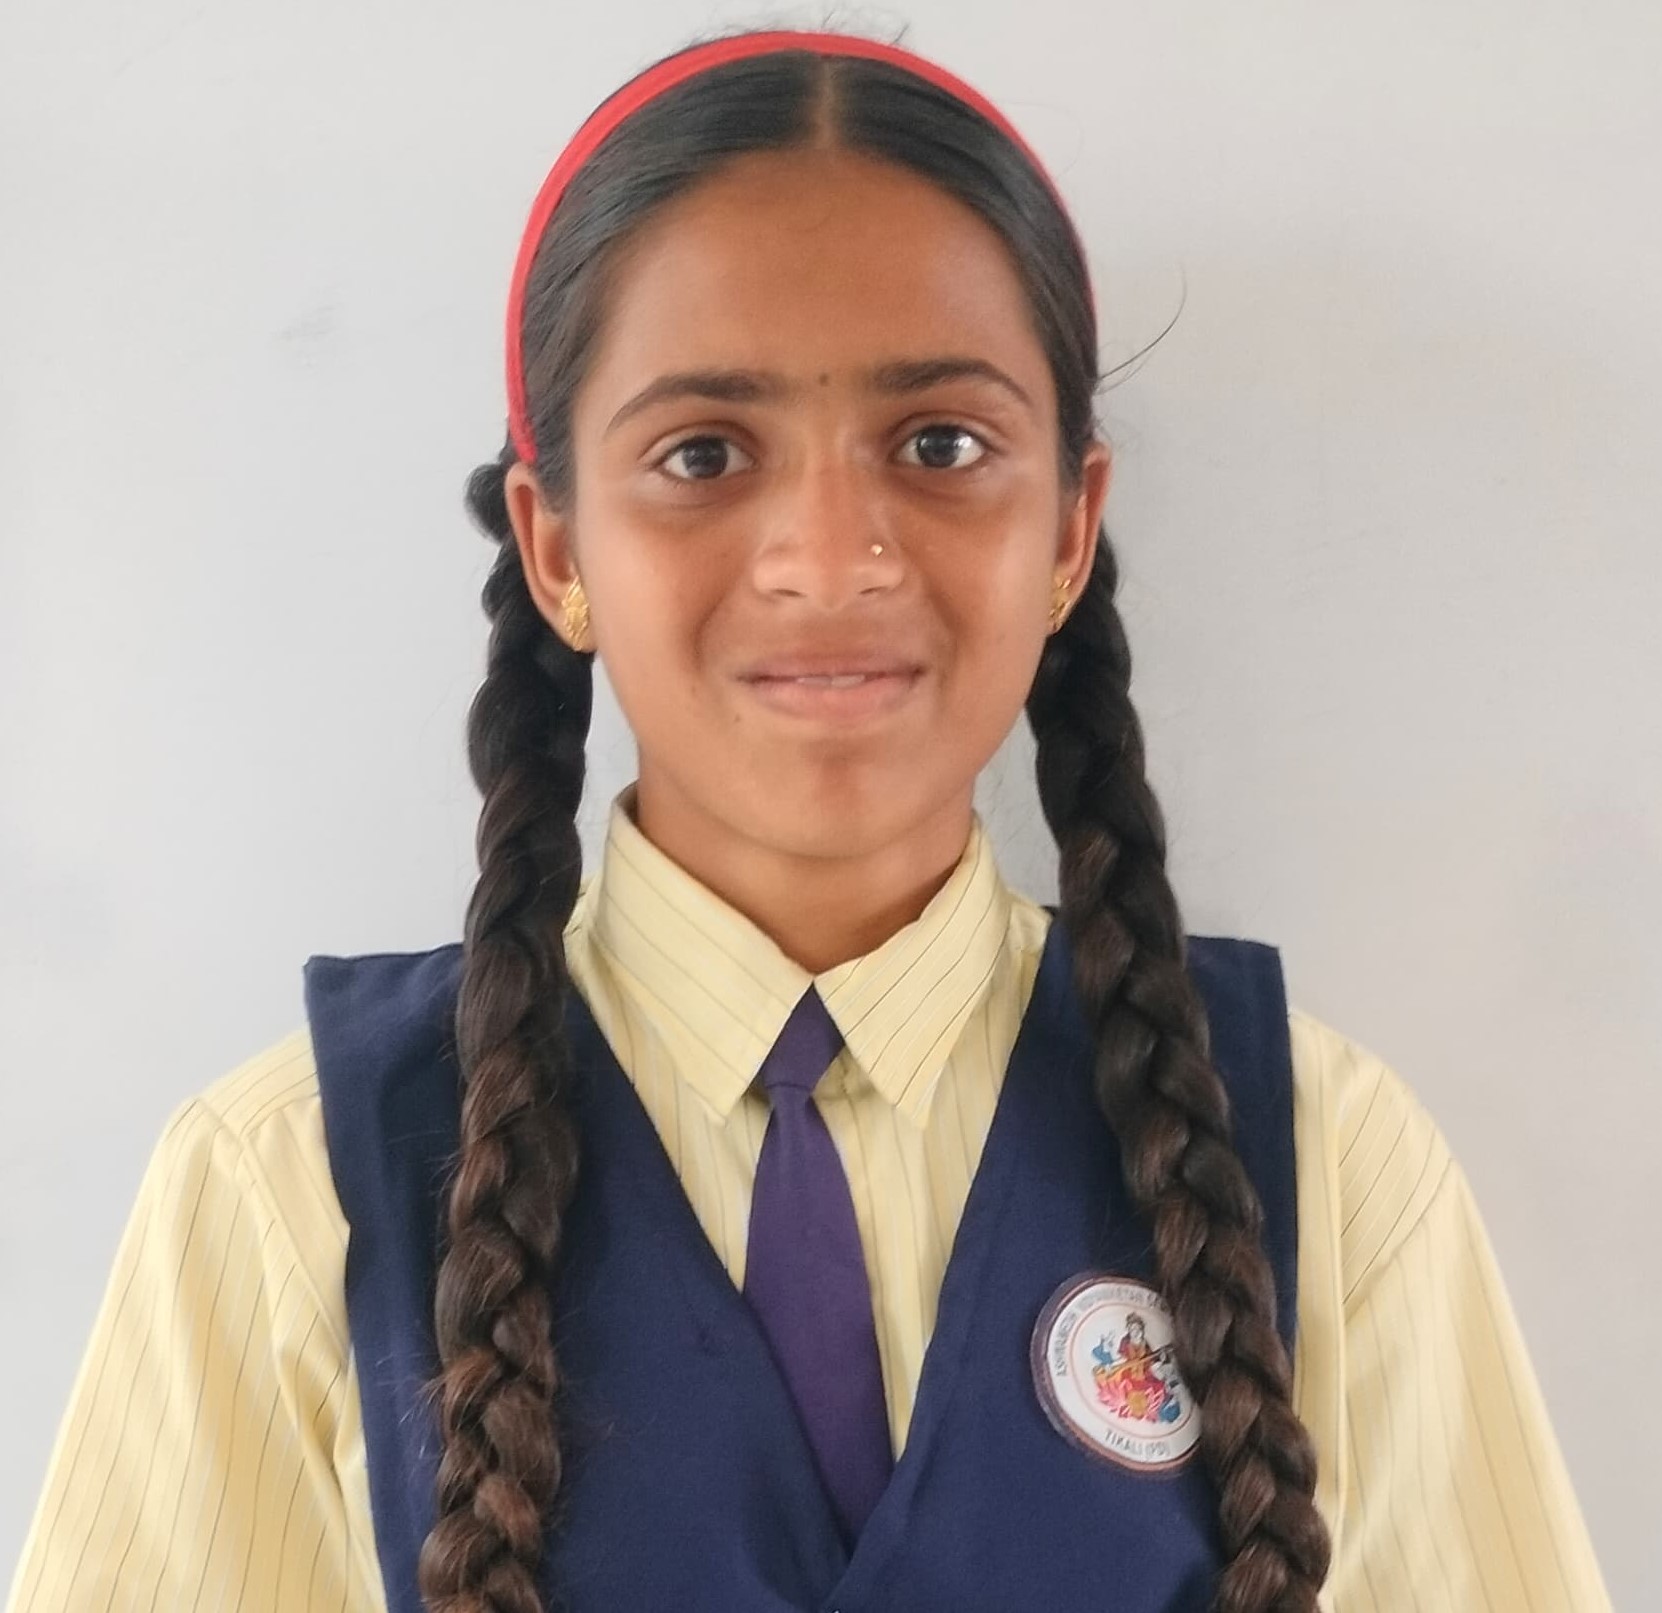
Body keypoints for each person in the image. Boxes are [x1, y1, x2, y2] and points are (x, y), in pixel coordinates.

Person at [6, 24, 1612, 1613]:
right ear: (556, 549)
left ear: (1069, 529)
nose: (831, 557)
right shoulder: (290, 1186)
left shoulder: (1319, 1161)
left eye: (941, 444)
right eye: (703, 453)